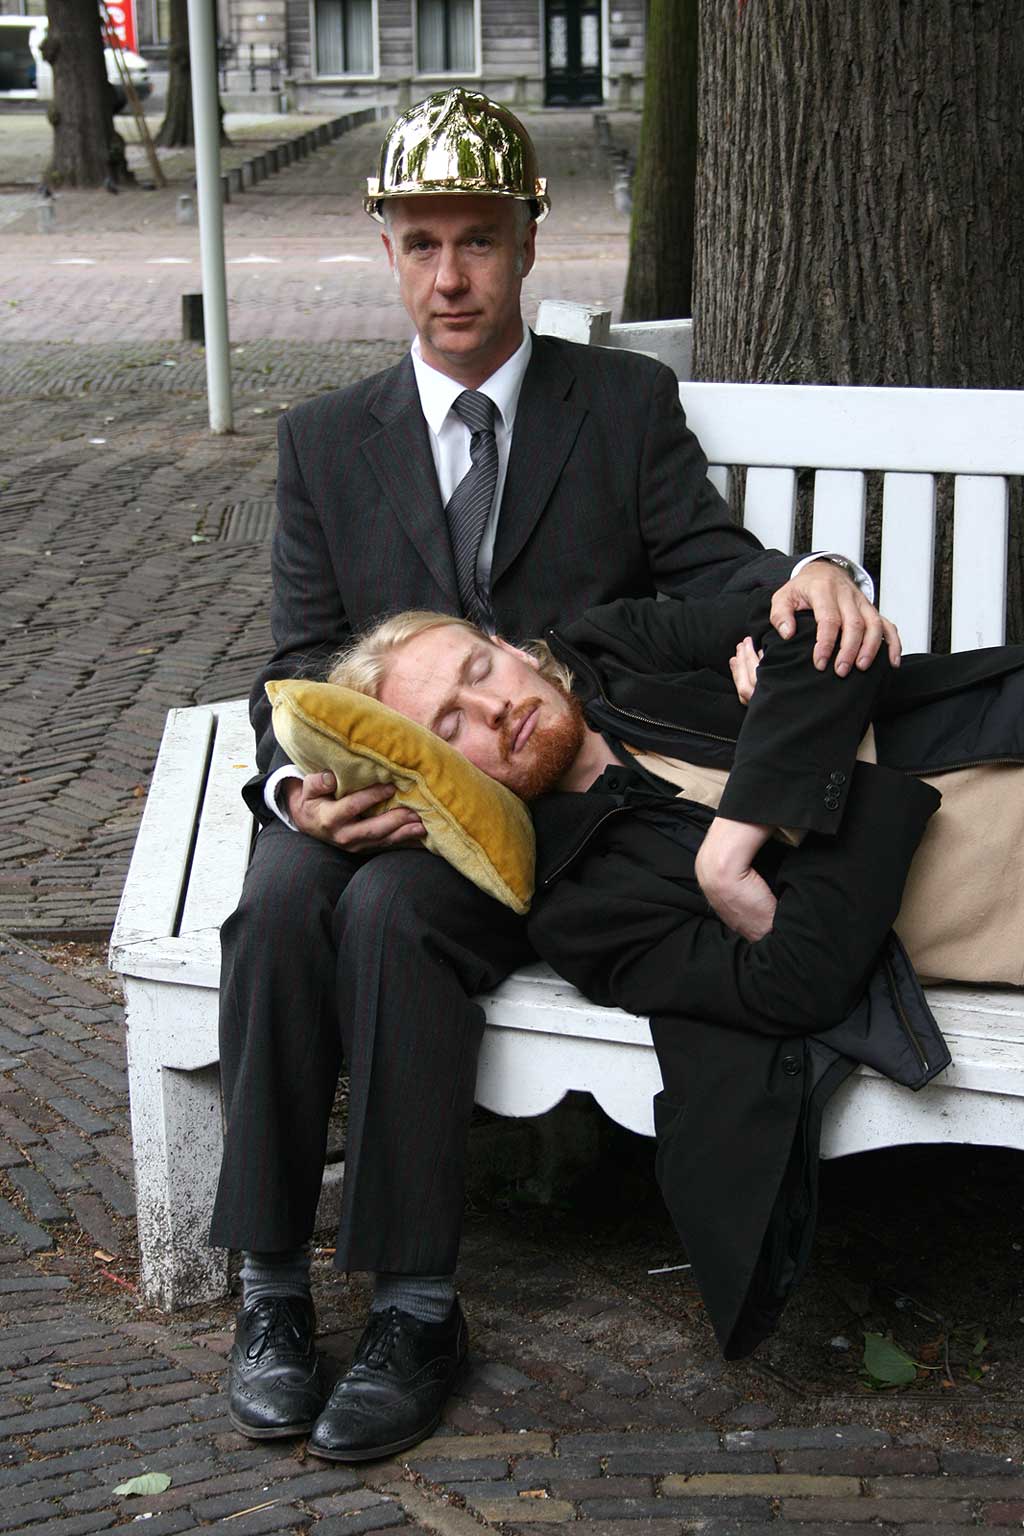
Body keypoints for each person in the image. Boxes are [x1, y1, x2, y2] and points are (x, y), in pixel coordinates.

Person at [214, 88, 900, 1460]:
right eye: (422, 244)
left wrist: (814, 573)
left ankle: (415, 1307)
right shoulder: (325, 443)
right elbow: (293, 664)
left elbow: (713, 569)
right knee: (281, 897)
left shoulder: (619, 406)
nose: (450, 276)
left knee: (396, 915)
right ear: (389, 251)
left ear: (528, 243)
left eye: (478, 240)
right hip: (381, 793)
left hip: (550, 823)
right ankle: (271, 1285)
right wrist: (298, 792)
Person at [329, 595, 1024, 1355]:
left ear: (515, 651)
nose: (492, 709)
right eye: (449, 727)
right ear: (435, 777)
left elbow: (810, 629)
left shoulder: (619, 649)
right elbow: (801, 980)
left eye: (479, 670)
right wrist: (808, 731)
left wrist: (729, 851)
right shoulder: (578, 905)